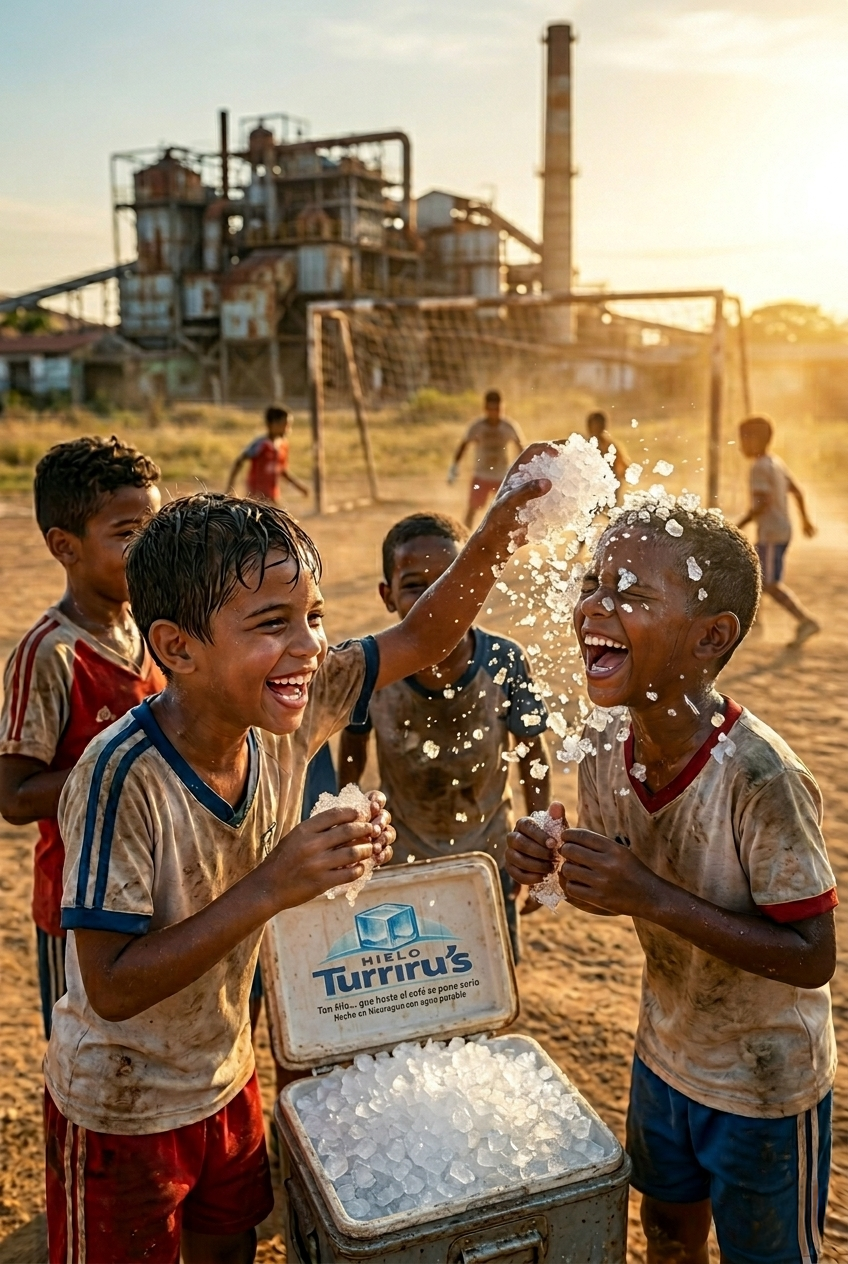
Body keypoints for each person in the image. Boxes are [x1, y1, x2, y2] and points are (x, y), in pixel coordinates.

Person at [44, 453, 551, 1264]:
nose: (310, 645)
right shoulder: (120, 777)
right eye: (272, 623)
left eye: (314, 615)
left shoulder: (297, 709)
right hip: (122, 1102)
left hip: (226, 1071)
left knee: (231, 1244)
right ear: (177, 647)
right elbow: (109, 985)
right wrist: (275, 882)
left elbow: (423, 633)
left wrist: (496, 531)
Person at [506, 496, 836, 1264]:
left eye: (630, 593)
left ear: (710, 636)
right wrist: (548, 867)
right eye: (592, 583)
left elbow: (812, 957)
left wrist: (648, 896)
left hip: (764, 1081)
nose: (595, 605)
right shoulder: (604, 746)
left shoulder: (760, 777)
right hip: (664, 1054)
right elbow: (601, 883)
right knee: (665, 1231)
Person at [0, 436, 164, 1038]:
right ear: (64, 546)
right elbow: (14, 796)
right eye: (127, 533)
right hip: (78, 905)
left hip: (158, 891)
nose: (148, 547)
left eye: (153, 528)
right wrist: (126, 766)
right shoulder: (50, 653)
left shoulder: (156, 631)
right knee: (83, 1056)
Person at [339, 512, 551, 961]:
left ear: (475, 586)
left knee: (491, 974)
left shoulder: (504, 661)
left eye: (449, 581)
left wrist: (539, 848)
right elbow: (352, 755)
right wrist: (352, 840)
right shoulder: (370, 670)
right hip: (402, 861)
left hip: (489, 858)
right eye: (415, 584)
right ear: (387, 595)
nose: (435, 599)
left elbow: (534, 755)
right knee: (415, 977)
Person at [737, 414, 819, 646]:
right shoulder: (775, 462)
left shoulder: (759, 467)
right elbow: (798, 491)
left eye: (744, 439)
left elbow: (762, 503)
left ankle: (805, 621)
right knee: (755, 572)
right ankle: (754, 622)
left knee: (769, 582)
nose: (741, 445)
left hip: (772, 534)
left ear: (755, 440)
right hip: (779, 530)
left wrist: (739, 524)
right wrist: (805, 521)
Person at [449, 389, 525, 528]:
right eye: (491, 409)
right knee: (472, 509)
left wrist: (523, 469)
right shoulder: (477, 427)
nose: (494, 412)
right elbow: (464, 445)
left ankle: (509, 536)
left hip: (502, 476)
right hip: (481, 475)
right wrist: (454, 467)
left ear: (502, 408)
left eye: (497, 409)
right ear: (485, 408)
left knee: (509, 508)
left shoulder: (508, 426)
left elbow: (520, 448)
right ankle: (465, 535)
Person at [227, 405, 309, 503]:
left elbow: (282, 470)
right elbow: (239, 461)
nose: (288, 429)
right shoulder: (261, 444)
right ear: (271, 425)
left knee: (280, 512)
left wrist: (299, 487)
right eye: (285, 425)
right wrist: (230, 489)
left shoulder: (283, 446)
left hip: (273, 495)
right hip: (256, 496)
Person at [585, 409, 631, 484]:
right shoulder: (584, 447)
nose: (596, 428)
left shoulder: (610, 447)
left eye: (598, 425)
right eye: (595, 425)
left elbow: (624, 468)